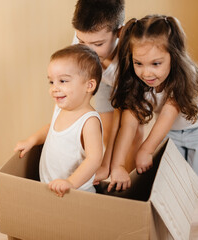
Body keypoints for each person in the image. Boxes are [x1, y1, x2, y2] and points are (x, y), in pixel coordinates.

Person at [108, 15, 198, 220]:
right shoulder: (136, 82)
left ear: (173, 56)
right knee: (177, 175)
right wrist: (118, 166)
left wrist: (145, 149)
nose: (146, 72)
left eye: (156, 63)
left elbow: (168, 114)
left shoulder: (186, 76)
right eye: (138, 63)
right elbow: (128, 125)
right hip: (173, 131)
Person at [14, 44, 103, 197]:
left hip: (76, 191)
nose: (54, 88)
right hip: (50, 185)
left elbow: (94, 159)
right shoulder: (60, 108)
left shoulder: (89, 121)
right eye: (51, 82)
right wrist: (31, 140)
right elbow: (51, 128)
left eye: (62, 81)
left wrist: (70, 182)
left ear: (89, 85)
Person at [72, 0, 141, 183]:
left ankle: (129, 184)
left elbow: (121, 112)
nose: (88, 51)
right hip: (103, 79)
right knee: (108, 132)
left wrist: (109, 166)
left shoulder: (132, 56)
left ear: (119, 32)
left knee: (133, 134)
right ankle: (114, 174)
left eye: (98, 44)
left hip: (129, 83)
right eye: (81, 42)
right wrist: (104, 165)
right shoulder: (85, 37)